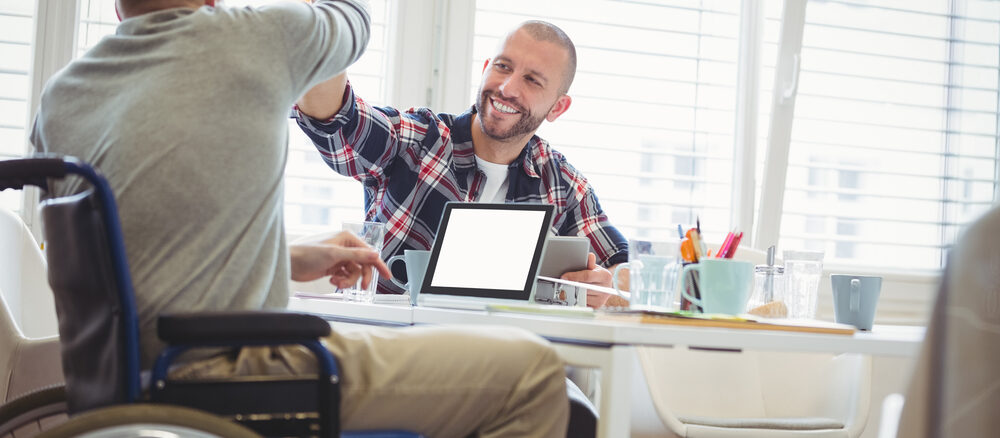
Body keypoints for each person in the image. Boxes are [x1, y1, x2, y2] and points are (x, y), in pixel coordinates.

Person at [29, 0, 569, 436]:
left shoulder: (62, 96)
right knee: (536, 371)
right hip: (235, 369)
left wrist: (284, 258)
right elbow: (353, 17)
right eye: (503, 65)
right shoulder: (252, 37)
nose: (508, 85)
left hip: (120, 381)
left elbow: (133, 254)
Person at [294, 20, 629, 307]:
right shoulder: (419, 140)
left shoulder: (562, 184)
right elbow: (336, 119)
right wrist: (324, 23)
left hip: (497, 360)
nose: (507, 87)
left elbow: (623, 271)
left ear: (558, 108)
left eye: (532, 80)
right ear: (485, 69)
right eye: (503, 66)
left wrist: (605, 285)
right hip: (393, 348)